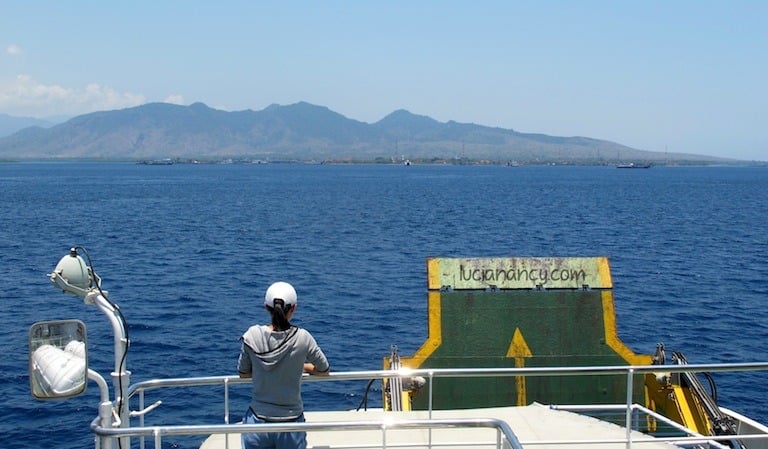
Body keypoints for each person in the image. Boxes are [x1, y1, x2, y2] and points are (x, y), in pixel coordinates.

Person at [238, 281, 330, 449]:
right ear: (293, 308)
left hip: (258, 420)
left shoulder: (252, 335)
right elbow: (324, 369)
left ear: (266, 307)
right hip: (291, 423)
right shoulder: (303, 337)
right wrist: (301, 366)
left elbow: (243, 373)